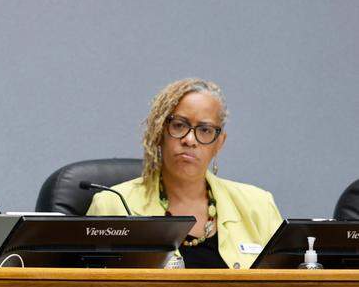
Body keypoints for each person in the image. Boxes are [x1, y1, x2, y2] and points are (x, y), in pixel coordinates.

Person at [86, 78, 282, 269]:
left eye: (205, 130)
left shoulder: (258, 206)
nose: (190, 139)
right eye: (179, 125)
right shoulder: (113, 205)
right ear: (160, 131)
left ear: (219, 143)